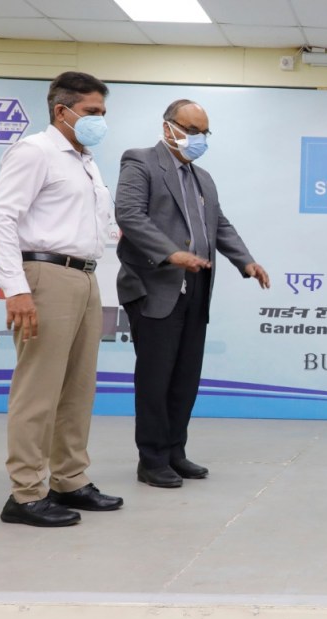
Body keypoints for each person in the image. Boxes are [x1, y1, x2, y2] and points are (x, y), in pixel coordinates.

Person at [0, 71, 123, 527]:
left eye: (102, 112)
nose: (99, 121)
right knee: (38, 390)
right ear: (62, 111)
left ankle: (69, 479)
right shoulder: (35, 152)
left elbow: (93, 224)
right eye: (91, 112)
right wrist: (17, 288)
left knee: (79, 389)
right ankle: (25, 493)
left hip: (84, 276)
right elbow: (0, 219)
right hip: (44, 275)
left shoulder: (85, 161)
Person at [116, 99, 270, 489]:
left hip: (197, 287)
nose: (199, 138)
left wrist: (245, 261)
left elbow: (219, 225)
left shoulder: (203, 178)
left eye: (204, 132)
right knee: (156, 376)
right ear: (168, 127)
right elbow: (130, 215)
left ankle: (173, 451)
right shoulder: (139, 162)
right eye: (192, 129)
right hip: (155, 286)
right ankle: (150, 459)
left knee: (185, 376)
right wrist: (170, 253)